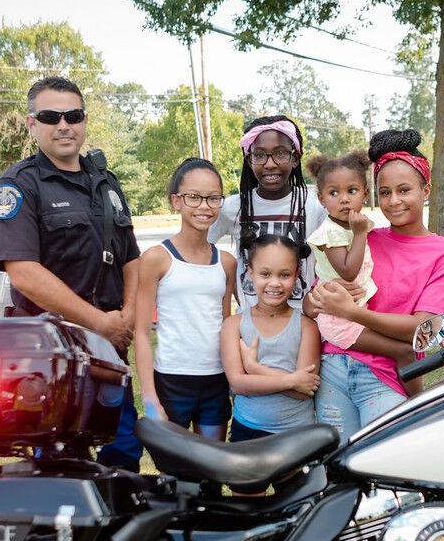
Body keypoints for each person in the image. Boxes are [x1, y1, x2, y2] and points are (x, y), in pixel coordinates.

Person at [0, 76, 143, 470]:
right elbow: (23, 272)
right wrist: (99, 323)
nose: (63, 125)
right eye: (50, 116)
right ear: (31, 123)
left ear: (84, 119)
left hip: (109, 351)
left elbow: (131, 259)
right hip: (51, 355)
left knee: (122, 450)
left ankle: (116, 531)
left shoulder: (106, 183)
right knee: (56, 461)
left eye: (72, 115)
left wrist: (125, 316)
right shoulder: (19, 185)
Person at [307, 129, 444, 437]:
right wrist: (319, 300)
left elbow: (427, 333)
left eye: (404, 190)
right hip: (332, 369)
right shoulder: (363, 238)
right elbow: (313, 299)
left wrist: (353, 313)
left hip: (384, 378)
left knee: (390, 474)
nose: (394, 201)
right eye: (385, 192)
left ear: (426, 190)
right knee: (339, 471)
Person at [133, 158, 237, 441]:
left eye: (213, 198)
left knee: (211, 471)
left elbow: (226, 324)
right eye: (194, 197)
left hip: (215, 381)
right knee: (177, 476)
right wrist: (151, 399)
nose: (204, 206)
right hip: (171, 381)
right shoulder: (156, 258)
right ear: (176, 201)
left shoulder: (226, 263)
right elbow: (141, 334)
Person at [208, 115, 327, 310]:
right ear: (249, 160)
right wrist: (234, 287)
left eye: (280, 154)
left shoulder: (314, 204)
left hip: (303, 324)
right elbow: (201, 249)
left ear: (295, 158)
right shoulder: (233, 207)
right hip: (250, 325)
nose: (270, 164)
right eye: (260, 155)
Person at [220, 234, 322, 441]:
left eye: (284, 275)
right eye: (265, 274)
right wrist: (292, 380)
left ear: (296, 275)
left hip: (297, 434)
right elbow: (238, 384)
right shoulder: (233, 325)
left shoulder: (307, 326)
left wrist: (255, 369)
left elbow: (304, 390)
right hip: (247, 429)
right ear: (250, 273)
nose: (274, 283)